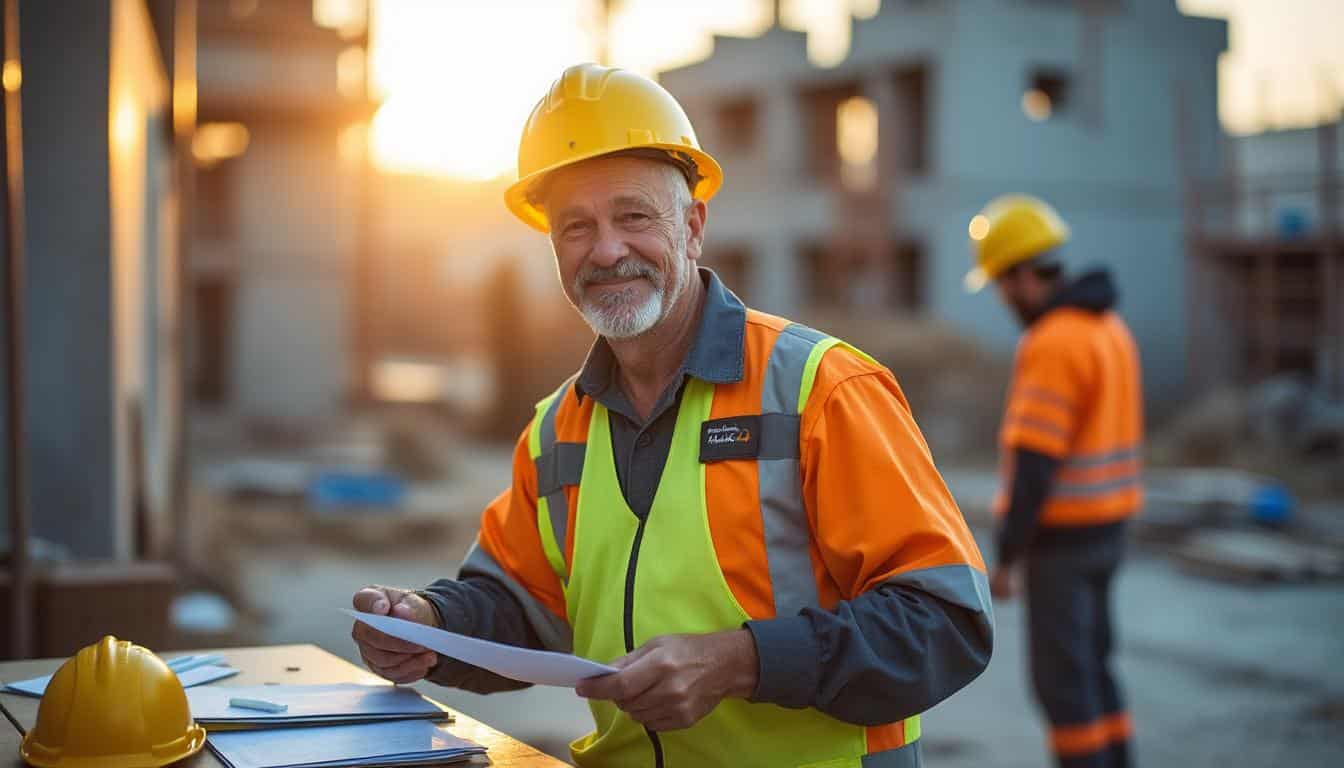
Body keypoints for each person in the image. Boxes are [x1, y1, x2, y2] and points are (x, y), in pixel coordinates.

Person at [351, 63, 992, 768]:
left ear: (692, 226)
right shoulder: (556, 430)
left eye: (633, 215)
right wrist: (432, 625)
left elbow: (944, 623)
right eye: (575, 227)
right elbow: (520, 610)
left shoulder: (821, 388)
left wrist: (740, 661)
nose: (606, 249)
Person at [965, 196, 1143, 768]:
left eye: (1000, 282)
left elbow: (1036, 464)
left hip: (1062, 545)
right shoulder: (1109, 328)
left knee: (1064, 689)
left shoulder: (1052, 343)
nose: (1003, 298)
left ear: (1021, 276)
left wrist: (1008, 557)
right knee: (1096, 669)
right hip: (1111, 533)